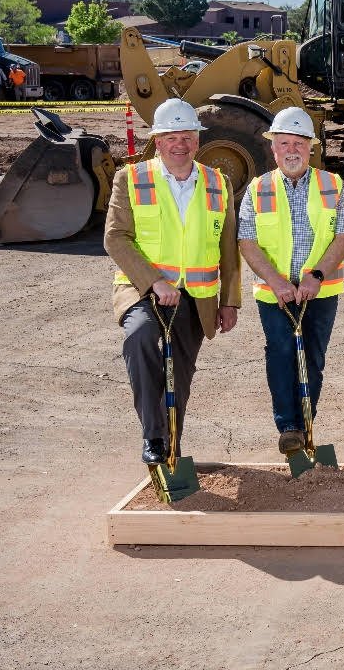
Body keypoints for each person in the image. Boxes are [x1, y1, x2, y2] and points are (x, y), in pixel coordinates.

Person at [103, 98, 241, 465]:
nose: (180, 144)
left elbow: (228, 248)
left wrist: (230, 300)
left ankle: (170, 446)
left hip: (196, 297)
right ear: (158, 141)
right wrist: (154, 282)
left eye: (188, 136)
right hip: (141, 290)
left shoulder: (218, 182)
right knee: (141, 338)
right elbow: (115, 237)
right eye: (171, 137)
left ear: (198, 140)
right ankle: (154, 436)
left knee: (178, 375)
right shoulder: (130, 178)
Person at [238, 107, 344, 455]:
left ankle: (307, 422)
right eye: (284, 143)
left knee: (313, 357)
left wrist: (316, 276)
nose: (291, 150)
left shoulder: (332, 185)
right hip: (274, 293)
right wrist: (276, 281)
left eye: (298, 143)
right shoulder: (258, 189)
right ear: (273, 149)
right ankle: (288, 426)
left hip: (320, 291)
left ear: (310, 148)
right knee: (282, 351)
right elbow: (247, 240)